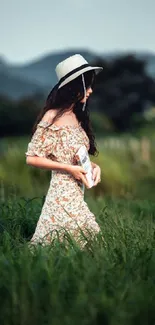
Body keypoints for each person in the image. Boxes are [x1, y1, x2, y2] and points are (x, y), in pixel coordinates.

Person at [25, 54, 103, 249]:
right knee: (70, 241)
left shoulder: (78, 117)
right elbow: (32, 158)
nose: (91, 91)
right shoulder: (52, 117)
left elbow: (78, 156)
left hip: (78, 191)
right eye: (87, 86)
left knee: (82, 244)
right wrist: (68, 169)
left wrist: (94, 167)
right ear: (74, 88)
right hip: (61, 192)